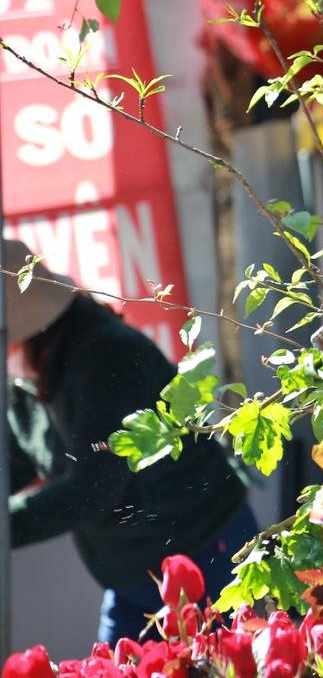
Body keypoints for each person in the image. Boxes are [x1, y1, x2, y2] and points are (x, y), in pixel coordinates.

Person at [3, 239, 258, 645]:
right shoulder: (28, 375)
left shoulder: (107, 357)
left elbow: (95, 486)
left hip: (203, 552)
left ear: (26, 331)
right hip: (134, 575)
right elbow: (19, 459)